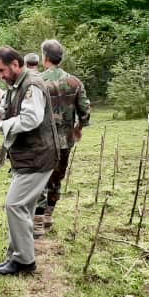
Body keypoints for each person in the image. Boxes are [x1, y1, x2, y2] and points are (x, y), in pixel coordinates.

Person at [0, 46, 59, 275]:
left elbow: (31, 118)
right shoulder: (17, 86)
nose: (1, 75)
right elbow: (8, 105)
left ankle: (25, 261)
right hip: (29, 156)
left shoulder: (32, 85)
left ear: (15, 64)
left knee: (14, 205)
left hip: (38, 157)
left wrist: (0, 125)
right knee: (23, 208)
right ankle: (18, 258)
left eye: (2, 70)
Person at [35, 39, 91, 236]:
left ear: (45, 57)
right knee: (57, 178)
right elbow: (84, 110)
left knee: (40, 178)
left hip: (42, 140)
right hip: (65, 140)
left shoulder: (37, 81)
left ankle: (38, 221)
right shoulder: (75, 82)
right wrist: (79, 127)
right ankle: (49, 215)